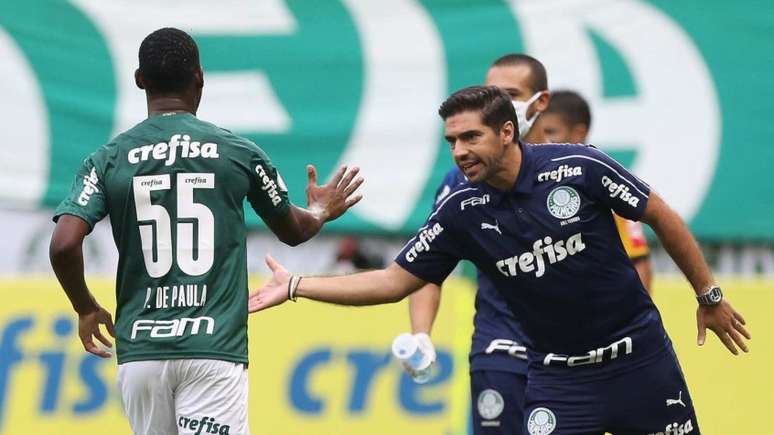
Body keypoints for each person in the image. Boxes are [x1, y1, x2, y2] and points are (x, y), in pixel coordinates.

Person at [249, 86, 751, 435]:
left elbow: (658, 213)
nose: (460, 152)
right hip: (558, 379)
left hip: (640, 362)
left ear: (508, 132)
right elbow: (393, 280)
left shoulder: (578, 166)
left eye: (471, 138)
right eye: (451, 142)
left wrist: (708, 295)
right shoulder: (459, 212)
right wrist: (296, 285)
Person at [49, 28, 363, 435]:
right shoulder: (238, 152)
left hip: (141, 352)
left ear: (139, 79)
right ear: (200, 76)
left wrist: (85, 307)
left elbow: (63, 244)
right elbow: (294, 230)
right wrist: (320, 209)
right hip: (212, 349)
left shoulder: (107, 159)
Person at [409, 53, 550, 433]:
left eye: (511, 94)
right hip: (499, 349)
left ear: (540, 102)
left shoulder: (572, 170)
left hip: (570, 355)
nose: (501, 103)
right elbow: (423, 268)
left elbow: (630, 254)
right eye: (494, 94)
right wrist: (421, 333)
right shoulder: (459, 184)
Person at [540, 90, 653, 291]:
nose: (543, 140)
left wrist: (635, 317)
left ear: (579, 133)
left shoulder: (604, 183)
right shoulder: (535, 181)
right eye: (540, 132)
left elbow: (639, 260)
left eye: (551, 132)